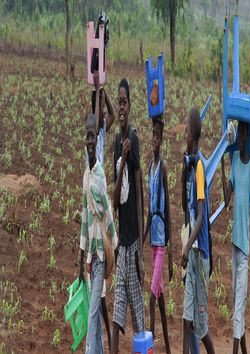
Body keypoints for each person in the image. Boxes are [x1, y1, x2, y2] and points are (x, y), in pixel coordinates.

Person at [79, 112, 118, 354]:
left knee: (93, 313)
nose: (90, 141)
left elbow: (109, 214)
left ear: (97, 138)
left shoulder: (100, 176)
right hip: (91, 257)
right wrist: (80, 256)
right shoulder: (86, 176)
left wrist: (114, 244)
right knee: (93, 312)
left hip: (102, 255)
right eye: (87, 137)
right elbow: (85, 217)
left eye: (93, 136)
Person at [111, 79, 145, 354]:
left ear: (130, 106)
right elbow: (114, 198)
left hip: (133, 244)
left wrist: (142, 254)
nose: (121, 107)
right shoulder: (116, 144)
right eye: (118, 102)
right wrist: (121, 162)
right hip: (121, 245)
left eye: (124, 102)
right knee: (116, 317)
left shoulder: (133, 138)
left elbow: (140, 194)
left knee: (139, 322)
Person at [222, 121, 250, 354]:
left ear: (249, 135)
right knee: (237, 300)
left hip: (244, 247)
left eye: (245, 132)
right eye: (241, 133)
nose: (242, 137)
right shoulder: (235, 160)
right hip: (234, 244)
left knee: (238, 305)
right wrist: (224, 164)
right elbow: (227, 200)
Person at [84, 71, 116, 350]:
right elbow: (93, 120)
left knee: (97, 301)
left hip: (101, 233)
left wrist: (101, 89)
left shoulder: (101, 133)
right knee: (98, 300)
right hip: (95, 232)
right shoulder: (92, 141)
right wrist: (96, 88)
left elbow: (111, 116)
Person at [181, 108, 215, 354]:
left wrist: (186, 246)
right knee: (186, 320)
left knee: (201, 329)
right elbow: (185, 206)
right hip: (192, 254)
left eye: (185, 129)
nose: (183, 133)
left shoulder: (201, 167)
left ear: (192, 133)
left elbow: (202, 217)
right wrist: (184, 171)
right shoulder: (192, 166)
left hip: (199, 255)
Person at [143, 115, 173, 353]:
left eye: (157, 136)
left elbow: (168, 210)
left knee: (151, 299)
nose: (154, 139)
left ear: (162, 140)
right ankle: (170, 347)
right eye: (152, 135)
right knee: (161, 299)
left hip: (161, 243)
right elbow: (149, 210)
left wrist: (171, 255)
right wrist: (141, 242)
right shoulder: (149, 168)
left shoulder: (162, 167)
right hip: (152, 241)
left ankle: (150, 347)